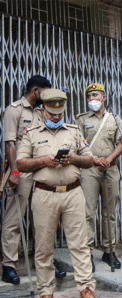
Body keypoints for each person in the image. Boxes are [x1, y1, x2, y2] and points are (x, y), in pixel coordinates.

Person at [16, 89, 97, 298]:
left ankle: (86, 289)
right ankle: (46, 292)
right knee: (43, 248)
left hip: (73, 193)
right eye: (52, 113)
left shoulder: (74, 131)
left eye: (60, 113)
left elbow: (89, 160)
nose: (56, 117)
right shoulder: (31, 133)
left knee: (80, 245)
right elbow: (21, 164)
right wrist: (43, 161)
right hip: (44, 195)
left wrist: (73, 158)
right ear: (43, 111)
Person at [0, 75, 67, 285]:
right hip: (21, 171)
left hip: (42, 170)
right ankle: (8, 265)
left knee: (44, 218)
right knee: (14, 218)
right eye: (45, 92)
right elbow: (10, 143)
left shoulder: (41, 111)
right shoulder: (14, 110)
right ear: (36, 91)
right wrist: (14, 172)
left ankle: (46, 262)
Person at [76, 83, 122, 272]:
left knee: (109, 212)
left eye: (95, 95)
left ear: (103, 98)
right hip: (89, 169)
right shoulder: (81, 119)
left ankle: (109, 250)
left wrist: (109, 159)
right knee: (88, 212)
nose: (92, 100)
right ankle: (86, 252)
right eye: (89, 97)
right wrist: (95, 159)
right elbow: (79, 143)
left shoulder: (114, 118)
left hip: (111, 169)